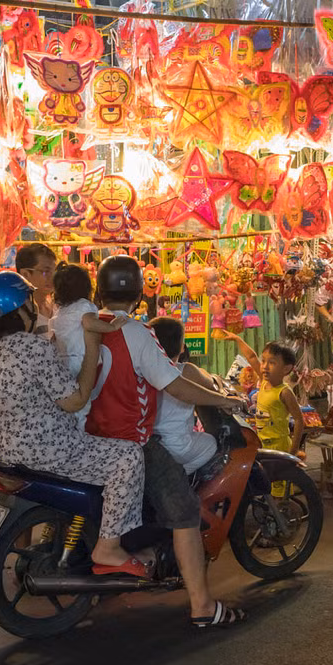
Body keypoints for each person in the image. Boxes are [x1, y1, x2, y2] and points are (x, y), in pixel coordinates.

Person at [86, 255, 249, 628]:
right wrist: (224, 400)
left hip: (89, 439)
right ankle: (203, 607)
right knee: (184, 513)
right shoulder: (137, 332)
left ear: (98, 292)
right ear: (141, 294)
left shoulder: (87, 326)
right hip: (132, 440)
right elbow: (172, 383)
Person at [0, 271, 149, 577]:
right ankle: (108, 546)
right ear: (20, 309)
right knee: (129, 456)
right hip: (45, 452)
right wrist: (92, 342)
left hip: (1, 451)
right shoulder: (34, 348)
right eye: (31, 301)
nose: (37, 307)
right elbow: (76, 400)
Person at [215, 331, 305, 457]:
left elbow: (299, 420)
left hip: (280, 446)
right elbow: (251, 357)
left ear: (286, 369)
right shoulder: (263, 381)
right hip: (261, 443)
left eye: (272, 363)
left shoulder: (284, 392)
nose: (265, 366)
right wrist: (237, 339)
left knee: (278, 477)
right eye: (263, 361)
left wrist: (293, 451)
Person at [150, 316, 219, 476]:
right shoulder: (186, 370)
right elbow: (209, 383)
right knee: (210, 443)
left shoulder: (145, 370)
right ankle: (181, 475)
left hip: (150, 442)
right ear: (182, 347)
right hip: (177, 446)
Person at [49, 262, 104, 427]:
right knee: (83, 401)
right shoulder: (85, 306)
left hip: (63, 360)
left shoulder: (59, 311)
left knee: (67, 399)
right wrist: (112, 326)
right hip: (81, 359)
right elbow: (90, 324)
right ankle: (79, 431)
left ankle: (69, 429)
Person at [15, 243, 58, 334]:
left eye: (54, 271)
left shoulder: (57, 307)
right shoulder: (19, 316)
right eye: (46, 271)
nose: (53, 277)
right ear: (25, 274)